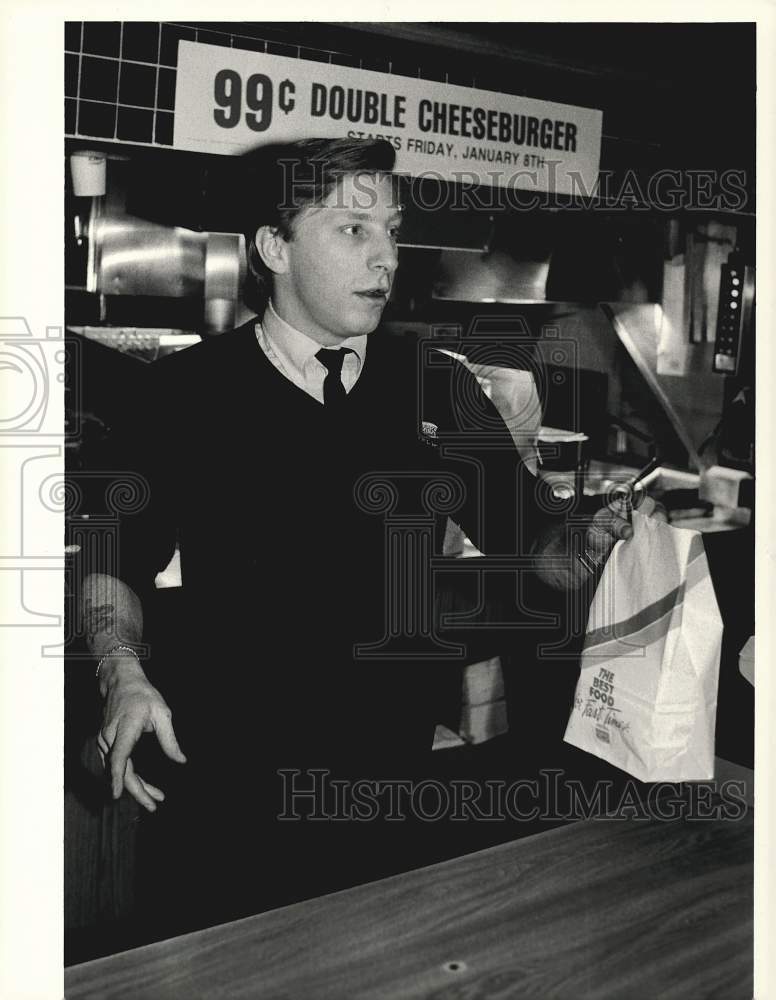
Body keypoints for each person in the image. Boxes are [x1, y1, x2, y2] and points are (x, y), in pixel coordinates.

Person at [80, 137, 639, 939]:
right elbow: (111, 562)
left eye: (393, 232)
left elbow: (535, 552)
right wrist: (121, 674)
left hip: (392, 793)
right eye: (352, 230)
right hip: (230, 802)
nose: (385, 257)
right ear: (275, 247)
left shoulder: (435, 385)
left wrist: (582, 546)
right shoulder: (182, 396)